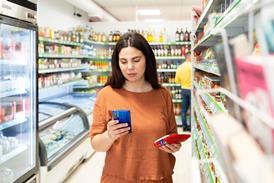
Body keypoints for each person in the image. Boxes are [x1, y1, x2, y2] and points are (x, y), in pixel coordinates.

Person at [90, 32, 182, 183]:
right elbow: (96, 144)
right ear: (117, 63)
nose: (130, 67)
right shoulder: (106, 95)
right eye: (124, 61)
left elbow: (172, 137)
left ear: (147, 59)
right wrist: (109, 135)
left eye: (136, 60)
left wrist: (173, 146)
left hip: (158, 177)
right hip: (118, 178)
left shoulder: (163, 95)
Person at [175, 52, 192, 131]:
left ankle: (184, 127)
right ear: (189, 57)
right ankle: (191, 127)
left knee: (184, 110)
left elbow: (176, 80)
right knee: (192, 110)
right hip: (192, 90)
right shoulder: (193, 66)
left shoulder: (180, 67)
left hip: (184, 89)